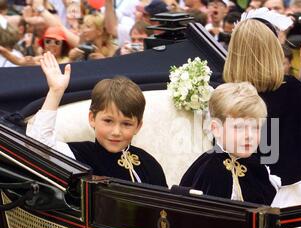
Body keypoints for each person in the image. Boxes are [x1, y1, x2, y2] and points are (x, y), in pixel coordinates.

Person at [223, 10, 301, 207]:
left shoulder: (225, 95)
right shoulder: (290, 88)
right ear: (272, 50)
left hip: (244, 187)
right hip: (296, 185)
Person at [26, 52, 168, 187]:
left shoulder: (149, 164)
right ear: (92, 118)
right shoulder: (79, 154)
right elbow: (37, 146)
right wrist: (56, 91)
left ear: (138, 126)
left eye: (126, 124)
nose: (116, 132)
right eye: (108, 121)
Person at [180, 82, 278, 205]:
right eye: (239, 127)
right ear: (216, 129)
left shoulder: (257, 167)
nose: (249, 136)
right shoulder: (210, 170)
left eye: (256, 127)